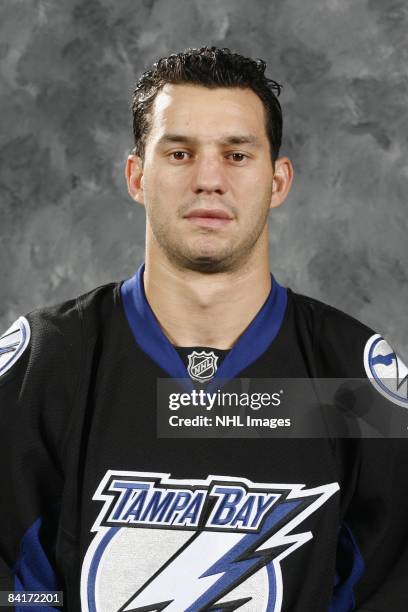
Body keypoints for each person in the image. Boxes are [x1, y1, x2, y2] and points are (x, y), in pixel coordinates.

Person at [1, 46, 407, 612]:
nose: (209, 179)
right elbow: (15, 587)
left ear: (278, 180)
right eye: (180, 152)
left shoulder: (353, 381)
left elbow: (387, 584)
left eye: (237, 155)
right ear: (137, 176)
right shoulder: (46, 365)